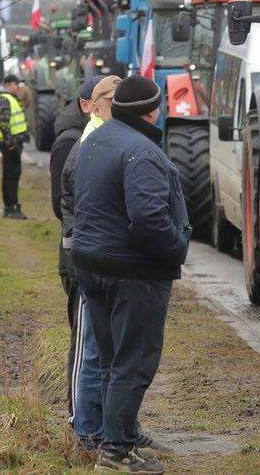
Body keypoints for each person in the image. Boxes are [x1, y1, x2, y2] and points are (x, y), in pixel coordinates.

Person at [72, 76, 190, 474]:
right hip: (134, 272)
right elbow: (148, 218)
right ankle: (116, 453)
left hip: (92, 266)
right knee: (133, 364)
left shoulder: (94, 142)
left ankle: (115, 443)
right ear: (152, 110)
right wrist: (176, 247)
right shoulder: (143, 151)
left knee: (110, 362)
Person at [50, 74, 107, 413]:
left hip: (94, 250)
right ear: (86, 105)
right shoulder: (70, 142)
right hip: (78, 254)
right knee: (84, 342)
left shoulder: (94, 136)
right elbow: (62, 205)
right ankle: (78, 417)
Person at [0, 74, 29, 219]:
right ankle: (13, 208)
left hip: (10, 143)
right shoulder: (5, 99)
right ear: (8, 84)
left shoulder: (8, 98)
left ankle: (8, 207)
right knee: (13, 175)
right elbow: (4, 123)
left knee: (8, 174)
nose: (17, 87)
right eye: (15, 84)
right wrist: (10, 143)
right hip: (10, 143)